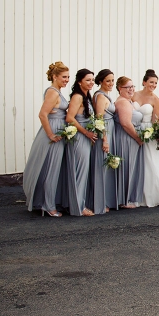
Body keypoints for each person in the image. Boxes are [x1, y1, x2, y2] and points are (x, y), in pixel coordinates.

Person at [23, 62, 70, 217]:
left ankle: (48, 202)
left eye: (68, 77)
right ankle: (48, 206)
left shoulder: (57, 91)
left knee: (53, 168)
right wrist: (51, 135)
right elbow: (42, 114)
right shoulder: (53, 92)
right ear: (55, 76)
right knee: (51, 169)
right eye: (64, 77)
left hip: (58, 130)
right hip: (53, 132)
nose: (67, 80)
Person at [63, 69, 97, 217]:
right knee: (80, 171)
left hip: (85, 137)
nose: (91, 82)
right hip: (79, 137)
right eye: (88, 80)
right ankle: (78, 206)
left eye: (92, 80)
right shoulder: (77, 97)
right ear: (79, 82)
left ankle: (78, 203)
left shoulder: (86, 96)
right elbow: (70, 118)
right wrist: (86, 132)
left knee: (83, 171)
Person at [133, 69, 159, 208]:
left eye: (155, 83)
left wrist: (158, 134)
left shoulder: (155, 99)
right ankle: (134, 195)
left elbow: (155, 119)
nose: (153, 85)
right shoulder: (134, 95)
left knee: (150, 162)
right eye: (151, 82)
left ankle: (152, 196)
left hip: (148, 132)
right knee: (136, 162)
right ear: (144, 82)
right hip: (133, 129)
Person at [113, 77, 145, 209]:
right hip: (126, 138)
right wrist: (138, 138)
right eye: (128, 87)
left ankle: (128, 197)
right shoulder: (122, 102)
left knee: (131, 166)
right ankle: (124, 199)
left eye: (132, 86)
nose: (131, 89)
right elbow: (126, 123)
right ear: (120, 88)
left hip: (131, 137)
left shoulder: (128, 101)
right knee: (127, 167)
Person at [88, 69, 117, 214]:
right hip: (104, 133)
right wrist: (104, 140)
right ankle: (99, 203)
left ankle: (105, 200)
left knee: (106, 167)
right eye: (108, 81)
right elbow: (99, 120)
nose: (111, 83)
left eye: (112, 80)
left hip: (109, 131)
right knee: (101, 167)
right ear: (101, 81)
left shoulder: (105, 95)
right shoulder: (100, 96)